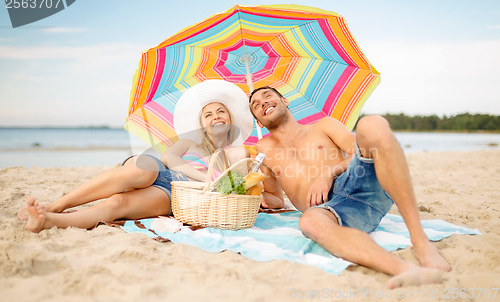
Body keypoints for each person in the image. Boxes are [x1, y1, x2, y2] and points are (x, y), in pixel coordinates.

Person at [248, 86, 452, 288]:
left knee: (372, 124)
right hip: (332, 211)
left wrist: (329, 172)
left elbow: (364, 150)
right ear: (258, 121)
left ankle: (420, 242)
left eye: (267, 96)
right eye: (256, 105)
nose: (263, 102)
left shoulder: (323, 126)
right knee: (308, 222)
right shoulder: (263, 149)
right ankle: (406, 271)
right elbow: (274, 197)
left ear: (285, 101)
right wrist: (257, 200)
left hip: (358, 182)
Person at [19, 80, 254, 233]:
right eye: (208, 114)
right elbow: (170, 158)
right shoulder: (190, 140)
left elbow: (234, 188)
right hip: (159, 170)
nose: (215, 117)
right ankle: (57, 205)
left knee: (117, 204)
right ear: (202, 124)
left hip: (177, 193)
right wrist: (204, 177)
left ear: (230, 118)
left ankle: (48, 221)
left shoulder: (234, 153)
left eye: (221, 111)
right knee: (143, 171)